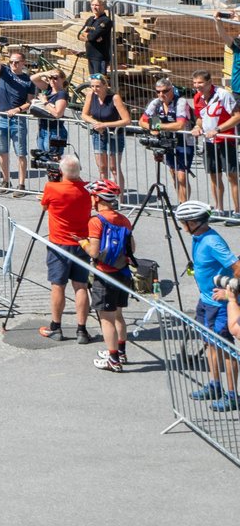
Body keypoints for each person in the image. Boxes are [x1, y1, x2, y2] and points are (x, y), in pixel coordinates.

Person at [178, 201, 240, 411]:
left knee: (225, 348)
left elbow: (238, 267)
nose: (182, 226)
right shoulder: (198, 237)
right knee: (210, 344)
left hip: (220, 304)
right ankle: (215, 385)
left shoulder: (213, 241)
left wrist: (230, 290)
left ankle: (232, 395)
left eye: (183, 222)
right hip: (205, 301)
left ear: (194, 222)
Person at [37, 155, 95, 342]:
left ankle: (56, 326)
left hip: (59, 244)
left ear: (61, 171)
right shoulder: (88, 190)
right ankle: (82, 330)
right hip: (82, 243)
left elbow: (44, 206)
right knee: (81, 286)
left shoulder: (52, 188)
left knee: (58, 286)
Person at [81, 180, 135, 373]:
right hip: (123, 274)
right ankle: (121, 352)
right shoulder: (124, 220)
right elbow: (132, 248)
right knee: (119, 315)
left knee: (106, 319)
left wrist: (83, 243)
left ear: (97, 199)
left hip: (105, 275)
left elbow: (94, 252)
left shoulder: (96, 221)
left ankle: (113, 359)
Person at [140, 77, 196, 205]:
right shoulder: (156, 103)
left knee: (181, 176)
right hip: (167, 142)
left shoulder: (180, 102)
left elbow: (179, 125)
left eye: (165, 91)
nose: (161, 94)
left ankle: (184, 204)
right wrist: (153, 127)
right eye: (158, 91)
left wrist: (158, 126)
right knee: (173, 174)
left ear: (171, 90)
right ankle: (181, 202)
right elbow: (142, 121)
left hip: (184, 141)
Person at [192, 70, 239, 215]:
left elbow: (237, 117)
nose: (197, 86)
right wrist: (197, 127)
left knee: (232, 176)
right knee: (214, 176)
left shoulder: (223, 94)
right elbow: (200, 117)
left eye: (200, 82)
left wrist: (218, 129)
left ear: (209, 82)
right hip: (209, 141)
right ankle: (219, 208)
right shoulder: (197, 97)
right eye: (194, 83)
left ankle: (238, 211)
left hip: (226, 140)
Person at [0, 47, 38, 194]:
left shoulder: (28, 80)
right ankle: (5, 181)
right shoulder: (5, 73)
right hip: (1, 118)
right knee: (3, 151)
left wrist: (18, 110)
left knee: (21, 153)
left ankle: (21, 184)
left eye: (16, 62)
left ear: (23, 63)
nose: (13, 64)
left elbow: (30, 102)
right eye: (11, 62)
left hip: (18, 119)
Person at [79, 72, 132, 187]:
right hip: (98, 134)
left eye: (97, 86)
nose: (95, 89)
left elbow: (126, 120)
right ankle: (104, 194)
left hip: (114, 135)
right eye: (92, 86)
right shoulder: (90, 95)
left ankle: (119, 198)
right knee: (102, 167)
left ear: (105, 86)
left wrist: (105, 125)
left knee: (114, 167)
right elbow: (84, 115)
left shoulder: (114, 98)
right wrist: (96, 123)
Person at [81, 0, 115, 83]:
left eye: (97, 5)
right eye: (92, 5)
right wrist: (89, 36)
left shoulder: (105, 21)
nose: (94, 7)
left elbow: (93, 36)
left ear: (103, 6)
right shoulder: (90, 19)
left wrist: (88, 35)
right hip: (90, 56)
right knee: (93, 81)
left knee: (99, 82)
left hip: (100, 57)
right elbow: (79, 35)